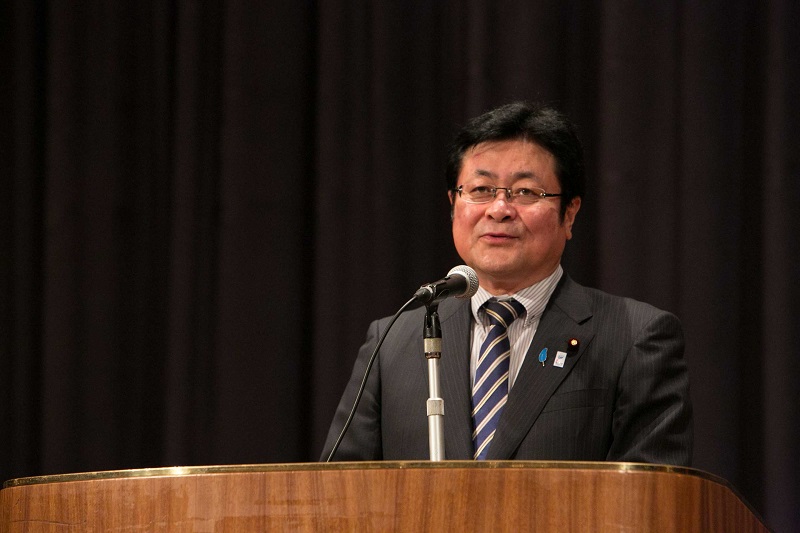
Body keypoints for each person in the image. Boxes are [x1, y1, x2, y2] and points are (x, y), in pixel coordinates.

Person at [320, 101, 692, 465]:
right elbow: (337, 491)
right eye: (481, 190)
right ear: (453, 204)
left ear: (569, 213)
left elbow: (652, 495)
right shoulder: (391, 343)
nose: (499, 209)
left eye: (526, 192)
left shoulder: (634, 337)